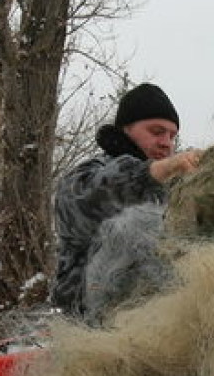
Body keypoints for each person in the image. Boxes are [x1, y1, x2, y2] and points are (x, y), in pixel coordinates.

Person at [51, 82, 200, 315]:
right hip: (91, 324)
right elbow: (83, 204)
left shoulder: (173, 194)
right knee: (140, 223)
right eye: (157, 131)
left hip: (164, 322)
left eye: (172, 136)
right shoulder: (86, 177)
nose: (167, 143)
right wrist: (150, 173)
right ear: (126, 129)